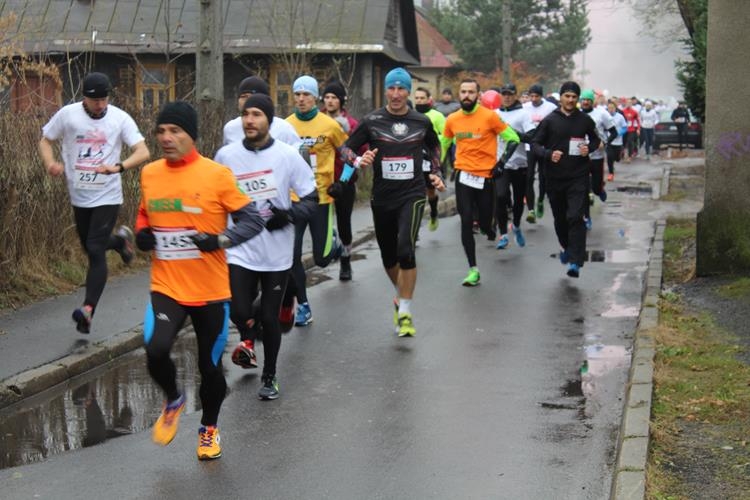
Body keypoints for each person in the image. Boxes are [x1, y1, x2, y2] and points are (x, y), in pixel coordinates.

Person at [136, 101, 265, 460]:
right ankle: (174, 399)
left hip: (210, 291)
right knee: (155, 349)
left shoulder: (216, 175)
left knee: (209, 367)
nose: (166, 137)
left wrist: (219, 240)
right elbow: (145, 213)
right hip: (167, 285)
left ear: (191, 136)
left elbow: (253, 220)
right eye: (161, 131)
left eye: (175, 131)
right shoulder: (150, 173)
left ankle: (208, 428)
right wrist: (142, 233)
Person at [216, 95, 317, 400]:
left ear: (269, 120)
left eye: (257, 114)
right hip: (240, 248)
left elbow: (311, 199)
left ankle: (270, 375)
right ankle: (250, 332)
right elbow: (214, 196)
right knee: (238, 310)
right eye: (246, 114)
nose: (249, 120)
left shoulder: (287, 156)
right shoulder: (226, 156)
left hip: (276, 253)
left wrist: (288, 214)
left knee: (270, 319)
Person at [38, 72, 150, 334]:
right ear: (84, 99)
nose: (100, 105)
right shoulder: (68, 115)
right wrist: (50, 163)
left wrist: (118, 167)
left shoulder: (119, 118)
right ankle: (120, 242)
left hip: (108, 195)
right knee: (89, 246)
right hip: (79, 195)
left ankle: (87, 310)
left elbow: (143, 151)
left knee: (95, 248)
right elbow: (45, 140)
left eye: (103, 99)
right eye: (94, 100)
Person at [341, 67, 445, 337]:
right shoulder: (372, 121)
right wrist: (357, 160)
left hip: (412, 194)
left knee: (405, 249)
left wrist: (436, 172)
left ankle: (406, 311)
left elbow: (434, 147)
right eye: (392, 88)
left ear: (408, 91)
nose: (396, 94)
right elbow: (345, 148)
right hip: (382, 197)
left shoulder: (420, 121)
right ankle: (401, 296)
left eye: (401, 89)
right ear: (386, 90)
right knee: (388, 256)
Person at [443, 78, 520, 286]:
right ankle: (473, 269)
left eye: (471, 92)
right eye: (463, 92)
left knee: (485, 222)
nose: (466, 95)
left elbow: (513, 139)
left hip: (486, 177)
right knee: (466, 220)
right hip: (463, 175)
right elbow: (444, 144)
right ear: (459, 94)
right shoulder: (452, 119)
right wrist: (435, 170)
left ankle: (489, 227)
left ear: (478, 95)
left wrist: (501, 163)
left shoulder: (490, 117)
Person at [286, 75, 346, 326]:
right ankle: (303, 305)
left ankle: (334, 243)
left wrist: (342, 182)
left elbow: (350, 156)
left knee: (321, 260)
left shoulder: (330, 125)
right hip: (295, 200)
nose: (301, 99)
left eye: (306, 94)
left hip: (321, 197)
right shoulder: (285, 127)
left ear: (315, 98)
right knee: (291, 257)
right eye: (297, 94)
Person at [531, 81, 601, 278]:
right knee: (561, 219)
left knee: (575, 217)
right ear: (561, 97)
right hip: (554, 177)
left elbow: (596, 139)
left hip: (578, 176)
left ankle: (576, 262)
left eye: (574, 97)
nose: (570, 100)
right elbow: (535, 144)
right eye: (567, 96)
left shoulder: (585, 120)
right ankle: (565, 246)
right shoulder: (549, 120)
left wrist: (589, 148)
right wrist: (548, 154)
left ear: (578, 99)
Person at [321, 80, 359, 281]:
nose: (329, 101)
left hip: (344, 181)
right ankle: (332, 246)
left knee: (344, 223)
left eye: (334, 97)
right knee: (321, 224)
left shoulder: (351, 124)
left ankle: (346, 260)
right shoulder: (317, 121)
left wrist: (343, 181)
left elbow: (356, 155)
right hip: (321, 182)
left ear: (341, 101)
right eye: (327, 97)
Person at [494, 83, 534, 250]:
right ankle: (503, 234)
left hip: (520, 164)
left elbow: (531, 136)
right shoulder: (495, 114)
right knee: (500, 196)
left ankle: (516, 225)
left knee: (518, 200)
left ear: (515, 95)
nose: (507, 97)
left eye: (510, 94)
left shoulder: (523, 114)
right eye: (504, 94)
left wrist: (512, 133)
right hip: (501, 164)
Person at [222, 76, 302, 149]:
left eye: (252, 97)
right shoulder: (230, 128)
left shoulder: (283, 128)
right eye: (243, 97)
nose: (247, 101)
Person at [579, 89, 617, 231]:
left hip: (597, 156)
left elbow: (614, 132)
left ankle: (599, 190)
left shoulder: (601, 114)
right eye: (583, 100)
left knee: (595, 187)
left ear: (592, 101)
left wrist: (604, 142)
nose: (585, 102)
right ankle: (586, 217)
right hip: (580, 156)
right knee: (583, 189)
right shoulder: (576, 115)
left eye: (588, 100)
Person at [413, 87, 450, 231]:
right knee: (416, 194)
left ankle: (434, 212)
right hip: (414, 158)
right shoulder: (411, 114)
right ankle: (414, 225)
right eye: (417, 98)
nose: (419, 101)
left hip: (430, 160)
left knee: (430, 192)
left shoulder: (437, 116)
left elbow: (446, 136)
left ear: (429, 99)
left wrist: (437, 155)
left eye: (422, 98)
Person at [523, 84, 558, 223]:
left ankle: (541, 200)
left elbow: (557, 124)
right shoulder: (524, 107)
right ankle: (531, 210)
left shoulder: (550, 108)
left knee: (543, 177)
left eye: (536, 96)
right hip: (529, 146)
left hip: (544, 147)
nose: (533, 99)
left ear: (541, 96)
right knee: (529, 177)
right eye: (531, 96)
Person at [605, 101, 627, 181]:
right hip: (609, 140)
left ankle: (618, 156)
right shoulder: (605, 116)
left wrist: (619, 133)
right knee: (609, 156)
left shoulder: (620, 117)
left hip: (618, 141)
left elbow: (625, 128)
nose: (610, 109)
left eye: (612, 108)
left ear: (615, 108)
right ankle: (611, 173)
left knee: (617, 158)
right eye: (609, 108)